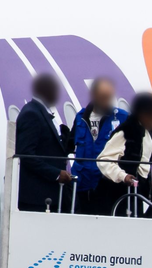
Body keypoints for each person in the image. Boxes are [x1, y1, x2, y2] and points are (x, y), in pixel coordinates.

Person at [65, 77, 128, 214]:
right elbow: (69, 145)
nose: (107, 102)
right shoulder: (80, 117)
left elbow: (137, 150)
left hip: (107, 187)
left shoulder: (122, 118)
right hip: (82, 186)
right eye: (103, 97)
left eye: (109, 97)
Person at [15, 74, 71, 211]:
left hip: (48, 195)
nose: (58, 96)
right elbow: (26, 154)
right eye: (55, 91)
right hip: (36, 197)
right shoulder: (32, 114)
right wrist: (56, 173)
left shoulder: (42, 112)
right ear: (45, 91)